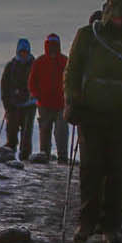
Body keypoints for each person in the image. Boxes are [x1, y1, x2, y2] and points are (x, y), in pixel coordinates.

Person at [64, 0, 122, 243]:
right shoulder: (87, 36)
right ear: (107, 14)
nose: (120, 20)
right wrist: (72, 97)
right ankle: (87, 221)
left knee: (116, 170)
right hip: (90, 111)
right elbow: (72, 70)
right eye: (116, 16)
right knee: (90, 168)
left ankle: (111, 225)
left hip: (121, 113)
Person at [28, 33, 70, 163]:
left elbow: (71, 80)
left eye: (54, 45)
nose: (52, 48)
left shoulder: (65, 61)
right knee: (45, 132)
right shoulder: (39, 62)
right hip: (44, 104)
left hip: (61, 104)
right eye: (50, 45)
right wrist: (37, 95)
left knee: (61, 132)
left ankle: (62, 157)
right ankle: (44, 157)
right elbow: (32, 82)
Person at [0, 38, 37, 161]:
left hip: (29, 105)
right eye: (21, 52)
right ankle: (10, 154)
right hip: (13, 105)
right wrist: (7, 104)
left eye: (25, 52)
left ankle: (25, 157)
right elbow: (4, 86)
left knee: (26, 134)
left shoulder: (34, 65)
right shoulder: (11, 66)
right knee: (12, 131)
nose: (23, 54)